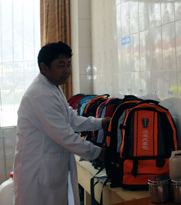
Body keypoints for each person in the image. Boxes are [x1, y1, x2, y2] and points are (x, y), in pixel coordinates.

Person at [13, 41, 110, 205]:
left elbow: (72, 119)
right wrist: (98, 152)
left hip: (49, 170)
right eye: (60, 65)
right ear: (44, 67)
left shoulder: (53, 87)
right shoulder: (40, 94)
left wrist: (102, 123)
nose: (67, 71)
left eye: (68, 65)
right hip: (38, 173)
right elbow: (65, 135)